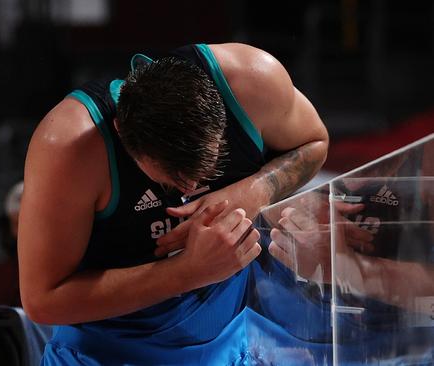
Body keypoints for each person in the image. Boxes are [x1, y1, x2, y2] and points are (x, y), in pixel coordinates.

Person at [19, 43, 329, 364]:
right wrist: (187, 272)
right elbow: (42, 301)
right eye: (172, 178)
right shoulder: (68, 146)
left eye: (209, 166)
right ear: (122, 134)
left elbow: (315, 142)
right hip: (106, 350)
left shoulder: (251, 80)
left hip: (228, 338)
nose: (191, 187)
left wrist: (256, 189)